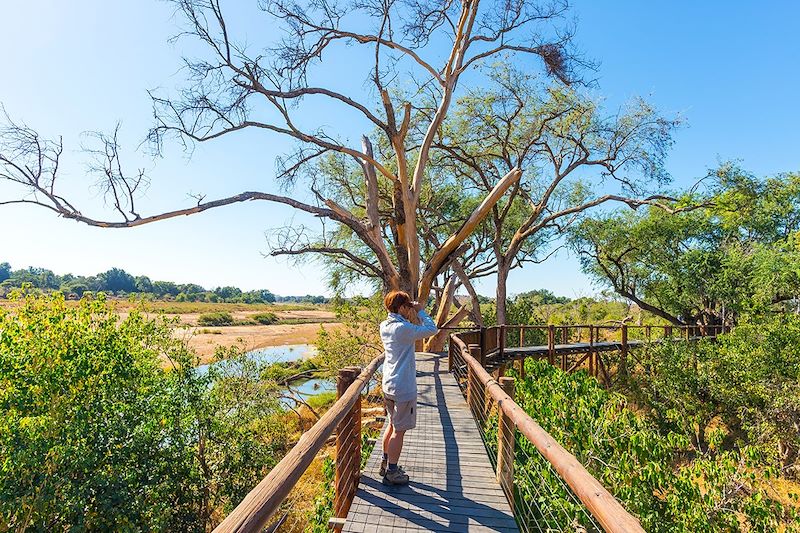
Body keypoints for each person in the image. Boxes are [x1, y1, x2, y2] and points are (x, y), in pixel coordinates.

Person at [378, 290, 438, 485]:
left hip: (388, 384)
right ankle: (392, 472)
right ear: (401, 308)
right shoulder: (403, 329)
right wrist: (421, 311)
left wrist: (411, 310)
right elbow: (432, 329)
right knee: (399, 431)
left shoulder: (384, 326)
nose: (409, 310)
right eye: (407, 307)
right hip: (403, 386)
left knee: (392, 425)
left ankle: (385, 463)